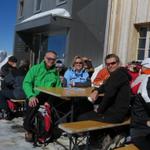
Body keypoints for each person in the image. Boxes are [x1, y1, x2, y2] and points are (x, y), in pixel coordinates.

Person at [78, 54, 131, 148]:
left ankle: (96, 143)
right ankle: (103, 138)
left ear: (118, 63)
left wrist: (99, 111)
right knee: (89, 113)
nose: (110, 66)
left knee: (82, 116)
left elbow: (109, 95)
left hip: (116, 115)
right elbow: (105, 85)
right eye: (108, 64)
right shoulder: (118, 74)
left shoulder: (118, 75)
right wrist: (97, 91)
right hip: (119, 112)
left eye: (113, 63)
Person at [23, 51, 61, 142]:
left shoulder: (55, 72)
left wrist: (51, 100)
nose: (51, 61)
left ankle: (48, 130)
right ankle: (29, 129)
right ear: (44, 58)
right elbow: (26, 83)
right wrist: (31, 96)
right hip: (35, 95)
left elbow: (58, 88)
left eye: (53, 59)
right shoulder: (35, 69)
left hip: (49, 97)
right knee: (33, 105)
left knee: (61, 106)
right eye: (49, 58)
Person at [130, 58, 150, 150]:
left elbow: (131, 90)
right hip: (141, 126)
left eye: (141, 67)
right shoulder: (145, 79)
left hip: (140, 123)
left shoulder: (143, 77)